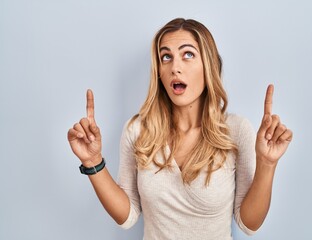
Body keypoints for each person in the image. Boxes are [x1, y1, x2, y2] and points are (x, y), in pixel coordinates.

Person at [67, 18, 293, 239]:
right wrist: (92, 162)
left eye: (188, 55)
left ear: (209, 65)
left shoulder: (236, 131)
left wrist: (267, 163)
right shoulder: (137, 130)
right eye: (166, 57)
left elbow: (249, 224)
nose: (175, 67)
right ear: (160, 72)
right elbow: (127, 216)